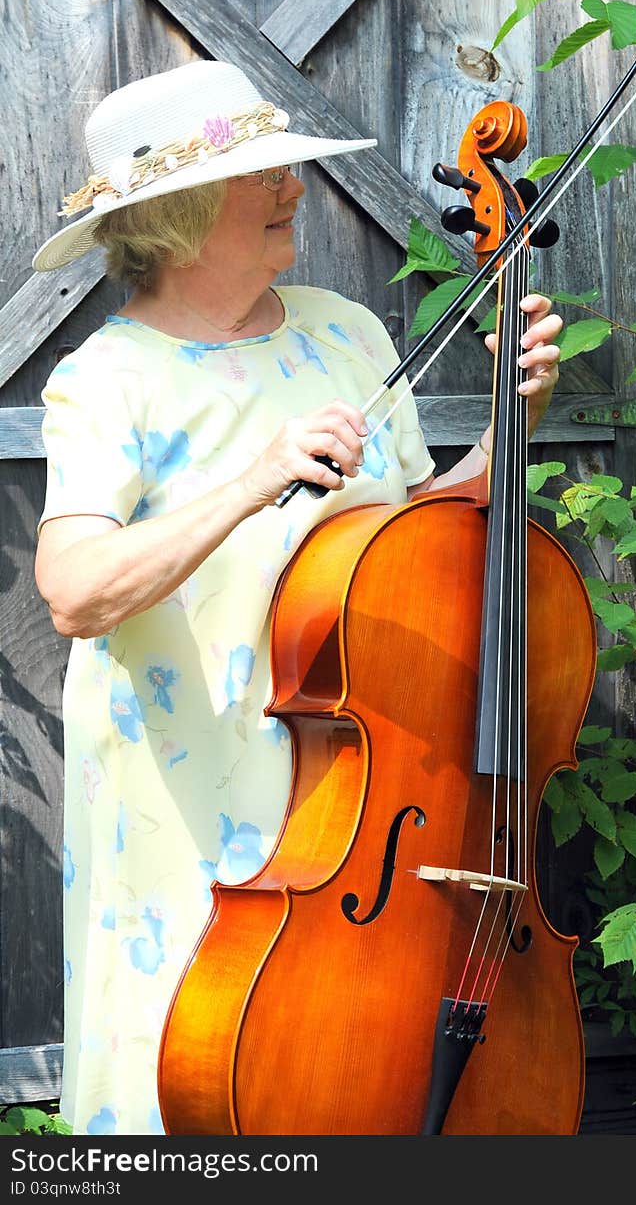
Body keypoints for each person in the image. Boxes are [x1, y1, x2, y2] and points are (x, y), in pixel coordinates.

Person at [32, 58, 563, 1136]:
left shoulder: (344, 330)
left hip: (338, 782)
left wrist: (516, 427)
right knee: (177, 1058)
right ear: (178, 218)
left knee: (328, 1060)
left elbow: (410, 534)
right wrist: (253, 478)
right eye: (262, 176)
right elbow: (77, 595)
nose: (294, 189)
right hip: (173, 780)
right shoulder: (107, 379)